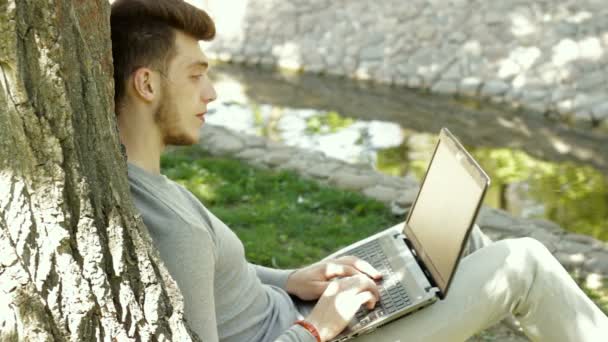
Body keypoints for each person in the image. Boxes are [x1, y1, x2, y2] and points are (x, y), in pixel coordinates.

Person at [110, 0, 608, 341]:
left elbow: (214, 276)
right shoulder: (170, 226)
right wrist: (319, 328)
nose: (211, 93)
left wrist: (292, 279)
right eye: (196, 76)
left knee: (463, 242)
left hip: (300, 314)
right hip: (316, 333)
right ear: (148, 84)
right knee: (523, 263)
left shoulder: (146, 182)